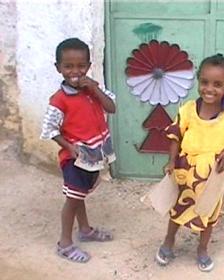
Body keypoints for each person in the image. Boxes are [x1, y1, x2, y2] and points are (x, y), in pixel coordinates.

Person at [155, 54, 224, 272]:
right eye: (205, 82)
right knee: (177, 209)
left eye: (218, 84)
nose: (210, 89)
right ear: (198, 81)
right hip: (185, 171)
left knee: (208, 212)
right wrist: (171, 161)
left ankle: (202, 249)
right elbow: (175, 135)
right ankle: (168, 242)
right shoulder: (188, 109)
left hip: (214, 175)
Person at [40, 38, 116, 263]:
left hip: (93, 154)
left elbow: (111, 107)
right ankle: (64, 243)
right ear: (58, 68)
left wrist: (94, 89)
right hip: (74, 157)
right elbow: (50, 129)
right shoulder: (59, 99)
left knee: (80, 193)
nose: (75, 71)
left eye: (81, 66)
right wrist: (69, 147)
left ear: (89, 66)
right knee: (73, 199)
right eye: (68, 66)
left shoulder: (92, 89)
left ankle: (85, 230)